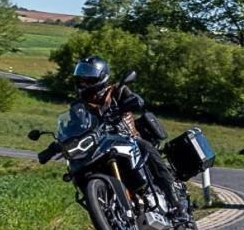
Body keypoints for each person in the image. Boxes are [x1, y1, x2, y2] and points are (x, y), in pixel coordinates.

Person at [72, 56, 186, 217]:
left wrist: (132, 102)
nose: (83, 79)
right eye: (81, 75)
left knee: (147, 148)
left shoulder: (117, 91)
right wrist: (57, 144)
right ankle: (108, 211)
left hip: (128, 138)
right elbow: (73, 126)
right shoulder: (78, 106)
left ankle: (174, 200)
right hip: (101, 145)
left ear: (101, 75)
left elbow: (137, 100)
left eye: (88, 75)